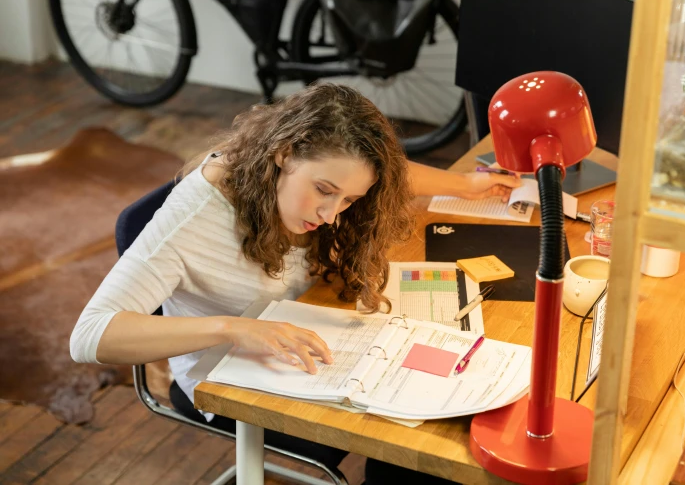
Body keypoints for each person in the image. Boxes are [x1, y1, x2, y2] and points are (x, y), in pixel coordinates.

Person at [70, 83, 520, 484]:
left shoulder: (312, 178)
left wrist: (466, 184)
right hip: (230, 377)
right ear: (284, 152)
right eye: (323, 190)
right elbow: (90, 335)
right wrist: (233, 328)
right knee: (421, 442)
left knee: (443, 414)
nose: (331, 214)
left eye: (349, 200)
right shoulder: (193, 218)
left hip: (309, 332)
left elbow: (388, 175)